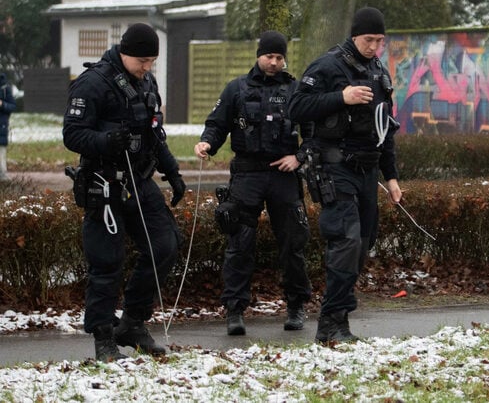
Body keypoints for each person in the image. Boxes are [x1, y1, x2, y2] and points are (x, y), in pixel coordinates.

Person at [62, 23, 187, 361]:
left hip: (140, 182)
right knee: (107, 262)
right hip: (103, 183)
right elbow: (72, 135)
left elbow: (154, 134)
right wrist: (105, 140)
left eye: (152, 61)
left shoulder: (147, 83)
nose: (146, 68)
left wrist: (172, 171)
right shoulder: (92, 84)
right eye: (142, 60)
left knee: (165, 245)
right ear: (124, 52)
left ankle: (132, 322)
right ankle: (103, 336)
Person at [288, 6, 402, 344]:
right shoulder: (327, 66)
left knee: (363, 243)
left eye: (380, 41)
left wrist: (392, 177)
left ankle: (340, 318)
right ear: (355, 35)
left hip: (368, 170)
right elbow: (295, 107)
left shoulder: (378, 70)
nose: (375, 47)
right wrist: (341, 97)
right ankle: (329, 324)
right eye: (369, 40)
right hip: (335, 167)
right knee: (346, 241)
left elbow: (386, 127)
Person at [194, 31, 312, 335]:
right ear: (258, 56)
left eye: (278, 57)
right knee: (239, 242)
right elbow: (217, 124)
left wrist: (299, 157)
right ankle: (235, 311)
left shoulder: (295, 89)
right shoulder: (237, 88)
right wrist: (207, 144)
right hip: (247, 174)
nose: (273, 62)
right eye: (268, 56)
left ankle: (296, 306)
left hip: (283, 175)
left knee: (292, 244)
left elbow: (314, 132)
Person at [0, 72, 15, 181]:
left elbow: (12, 106)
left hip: (1, 127)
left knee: (1, 153)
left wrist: (2, 104)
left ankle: (3, 177)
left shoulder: (5, 88)